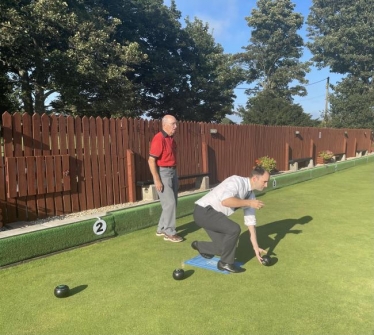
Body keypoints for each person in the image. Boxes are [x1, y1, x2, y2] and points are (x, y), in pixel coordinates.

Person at [192, 166, 270, 273]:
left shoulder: (250, 195)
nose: (266, 185)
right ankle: (225, 263)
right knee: (234, 229)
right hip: (203, 212)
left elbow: (250, 223)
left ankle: (200, 246)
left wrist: (256, 248)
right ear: (255, 179)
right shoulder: (236, 181)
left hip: (214, 216)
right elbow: (226, 201)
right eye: (264, 181)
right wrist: (249, 203)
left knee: (224, 248)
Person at [148, 115, 183, 243]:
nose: (175, 126)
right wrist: (157, 179)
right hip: (163, 173)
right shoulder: (159, 138)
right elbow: (151, 160)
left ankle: (161, 228)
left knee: (171, 203)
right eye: (173, 124)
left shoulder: (171, 139)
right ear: (165, 125)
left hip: (173, 171)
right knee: (170, 203)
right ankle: (169, 232)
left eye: (176, 123)